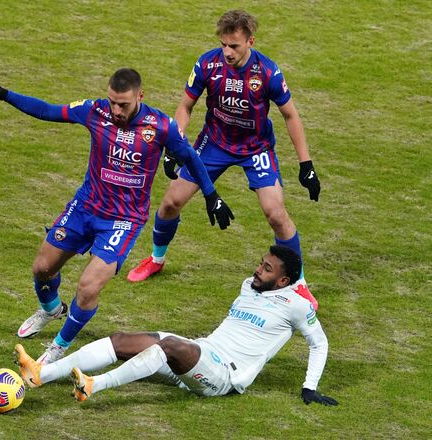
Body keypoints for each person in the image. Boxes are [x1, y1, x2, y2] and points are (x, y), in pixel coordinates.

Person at [0, 68, 233, 365]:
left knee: (88, 286)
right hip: (85, 208)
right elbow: (46, 110)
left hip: (124, 220)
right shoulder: (94, 111)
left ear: (140, 97)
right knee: (42, 268)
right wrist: (4, 94)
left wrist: (211, 195)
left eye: (124, 104)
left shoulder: (160, 126)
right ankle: (52, 309)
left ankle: (58, 347)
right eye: (113, 102)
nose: (116, 110)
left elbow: (191, 158)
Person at [126, 10, 322, 305]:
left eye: (235, 46)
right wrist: (174, 146)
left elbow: (290, 115)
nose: (227, 52)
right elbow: (185, 106)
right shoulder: (207, 64)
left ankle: (299, 283)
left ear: (250, 41)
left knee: (276, 214)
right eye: (224, 45)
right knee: (170, 202)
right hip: (214, 144)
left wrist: (306, 164)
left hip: (256, 148)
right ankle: (156, 259)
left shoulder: (267, 72)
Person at [15, 245, 338, 406]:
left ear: (282, 280)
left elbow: (319, 343)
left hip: (224, 375)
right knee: (121, 340)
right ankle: (42, 374)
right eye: (260, 263)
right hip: (202, 354)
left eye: (266, 269)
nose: (257, 270)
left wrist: (309, 387)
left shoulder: (297, 305)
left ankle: (93, 386)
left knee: (167, 346)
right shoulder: (247, 285)